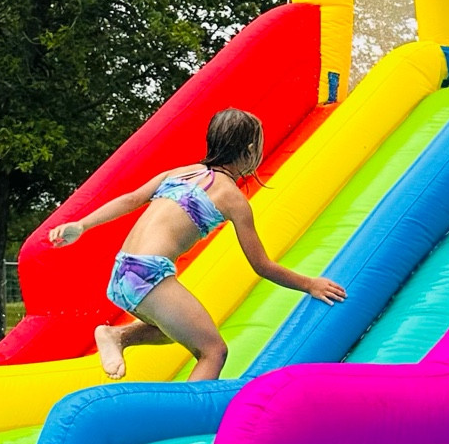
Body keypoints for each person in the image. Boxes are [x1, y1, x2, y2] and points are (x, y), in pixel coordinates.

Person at [48, 107, 346, 381]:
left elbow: (131, 199)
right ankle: (185, 417)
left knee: (175, 330)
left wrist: (82, 224)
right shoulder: (231, 198)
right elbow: (262, 265)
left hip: (122, 271)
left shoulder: (178, 172)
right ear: (250, 150)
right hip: (150, 274)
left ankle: (117, 336)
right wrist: (310, 284)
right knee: (214, 351)